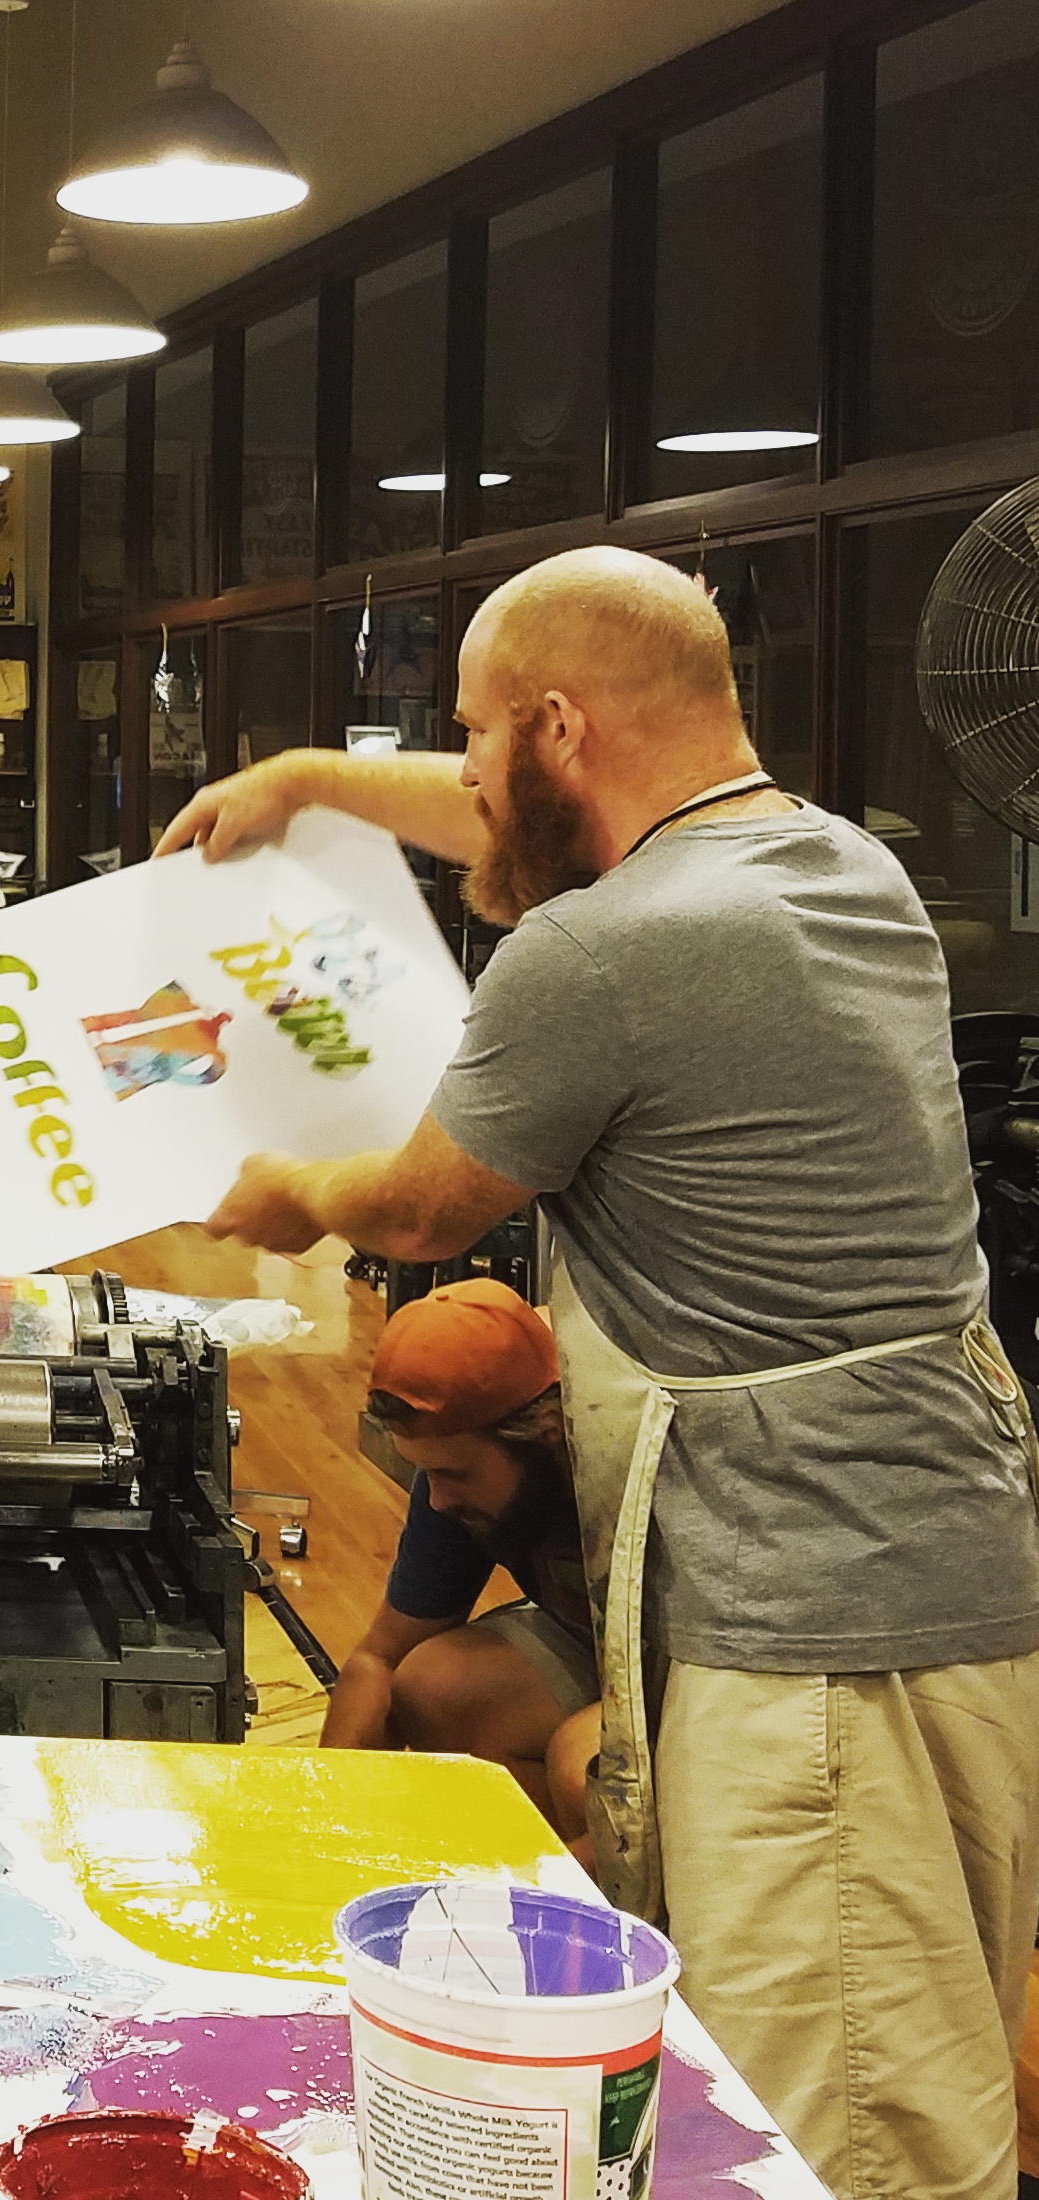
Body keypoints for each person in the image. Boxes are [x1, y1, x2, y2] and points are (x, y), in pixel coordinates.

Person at [159, 546, 1039, 2200]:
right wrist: (299, 783)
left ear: (555, 727)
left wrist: (287, 1186)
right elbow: (515, 802)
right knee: (909, 2039)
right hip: (947, 1558)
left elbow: (419, 1199)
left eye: (478, 737)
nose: (466, 775)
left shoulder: (601, 950)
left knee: (839, 2111)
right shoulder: (834, 864)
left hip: (809, 1614)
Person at [322, 1279, 600, 1849]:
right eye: (428, 1473)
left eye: (454, 1475)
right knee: (434, 1686)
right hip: (602, 1654)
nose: (439, 1500)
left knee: (581, 1766)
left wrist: (546, 1900)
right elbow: (380, 1657)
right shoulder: (466, 1456)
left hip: (704, 1688)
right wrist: (324, 1821)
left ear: (546, 1435)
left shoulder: (627, 1471)